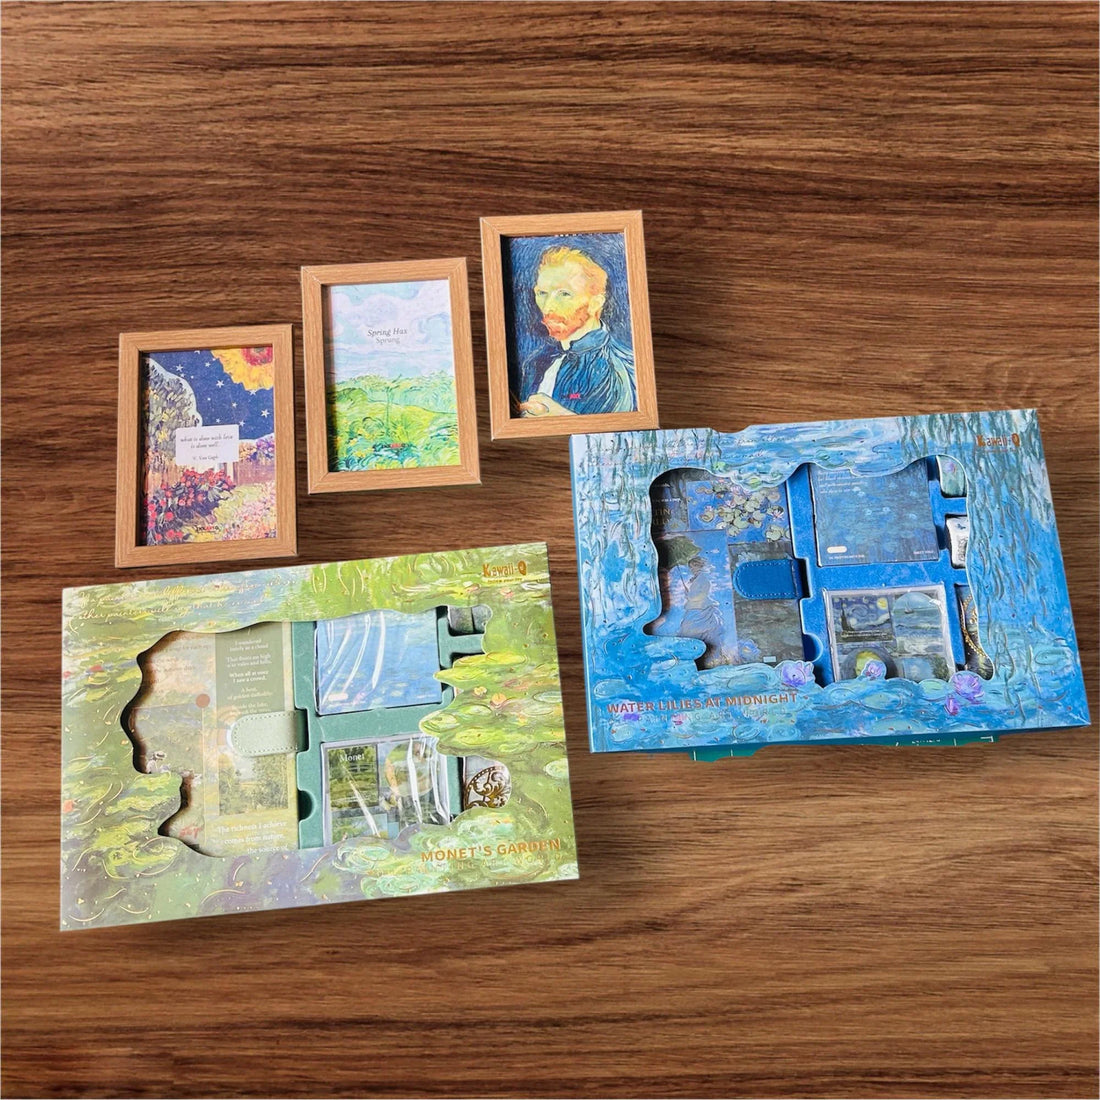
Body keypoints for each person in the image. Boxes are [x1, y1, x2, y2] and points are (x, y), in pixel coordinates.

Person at [516, 245, 637, 416]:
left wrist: (561, 420)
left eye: (564, 294)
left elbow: (617, 431)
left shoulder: (614, 370)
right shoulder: (535, 363)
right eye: (542, 293)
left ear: (596, 303)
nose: (548, 307)